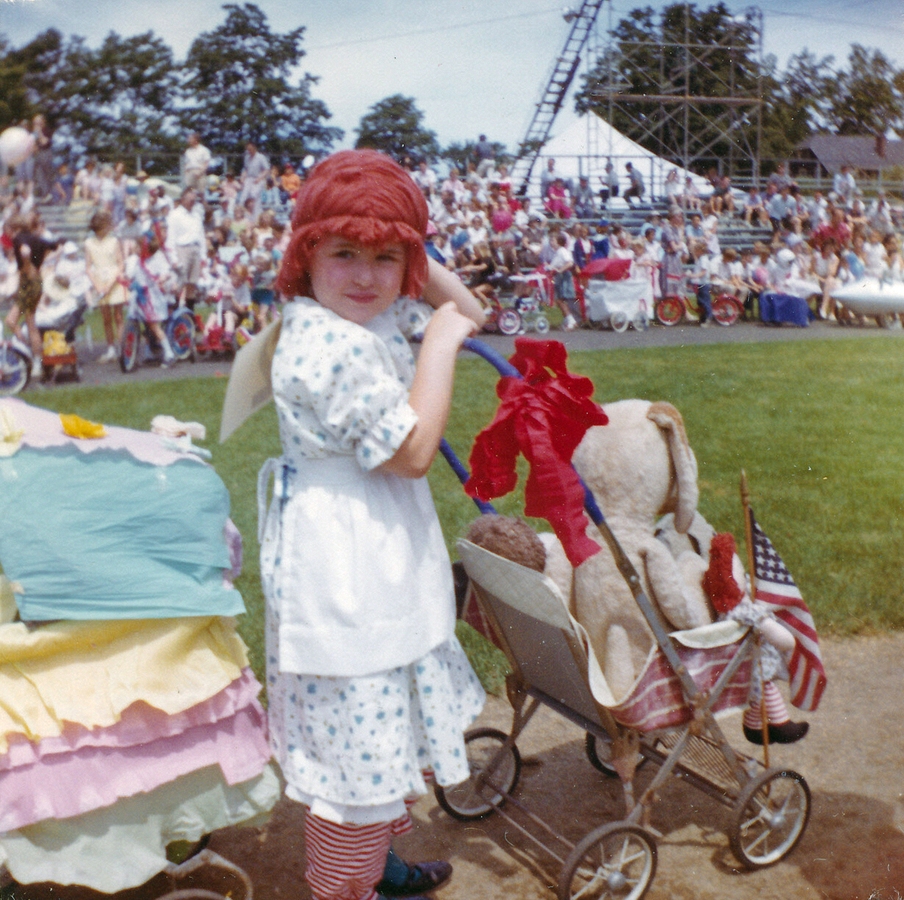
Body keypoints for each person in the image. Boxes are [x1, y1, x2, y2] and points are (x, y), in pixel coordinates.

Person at [257, 149, 486, 900]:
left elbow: (469, 310)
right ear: (305, 257)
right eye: (345, 252)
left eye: (386, 259)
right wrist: (443, 347)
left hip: (376, 542)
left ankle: (380, 868)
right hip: (346, 560)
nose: (366, 274)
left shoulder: (369, 313)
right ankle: (343, 887)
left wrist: (413, 240)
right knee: (358, 750)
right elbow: (416, 450)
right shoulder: (327, 342)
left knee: (386, 728)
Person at [3, 214, 61, 378]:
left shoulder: (19, 238)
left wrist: (28, 265)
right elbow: (56, 245)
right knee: (30, 322)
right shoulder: (36, 239)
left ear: (12, 228)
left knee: (12, 321)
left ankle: (29, 354)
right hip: (36, 283)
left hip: (29, 282)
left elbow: (25, 251)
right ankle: (35, 360)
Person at [84, 209, 127, 362]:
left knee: (119, 316)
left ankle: (121, 348)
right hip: (99, 282)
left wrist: (110, 284)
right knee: (106, 318)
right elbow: (88, 268)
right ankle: (110, 349)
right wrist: (97, 286)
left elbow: (121, 264)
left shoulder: (114, 241)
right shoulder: (88, 243)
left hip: (114, 281)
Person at [166, 188, 206, 309]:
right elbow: (171, 237)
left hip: (195, 249)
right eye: (190, 199)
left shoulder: (196, 215)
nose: (192, 202)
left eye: (194, 199)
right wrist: (173, 258)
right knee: (180, 283)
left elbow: (201, 235)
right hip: (182, 249)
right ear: (183, 199)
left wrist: (203, 255)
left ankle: (190, 314)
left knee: (192, 284)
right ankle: (176, 313)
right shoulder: (174, 215)